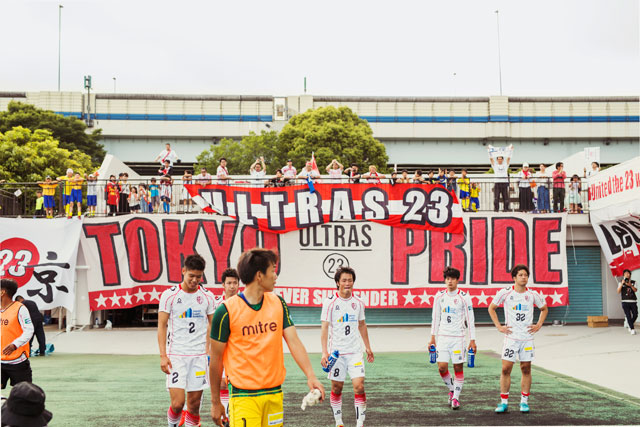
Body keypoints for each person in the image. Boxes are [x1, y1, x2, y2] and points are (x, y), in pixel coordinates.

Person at [209, 248, 324, 427]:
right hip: (243, 397)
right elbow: (215, 360)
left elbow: (294, 341)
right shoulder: (225, 311)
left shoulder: (278, 303)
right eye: (272, 270)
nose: (275, 275)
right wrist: (216, 403)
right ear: (259, 275)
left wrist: (311, 375)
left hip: (274, 395)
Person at [158, 254, 215, 427]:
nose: (194, 280)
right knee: (177, 404)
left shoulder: (208, 297)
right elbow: (162, 325)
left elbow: (214, 326)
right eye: (191, 276)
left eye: (198, 277)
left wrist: (210, 351)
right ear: (183, 271)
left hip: (198, 357)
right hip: (176, 356)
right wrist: (163, 355)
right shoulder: (169, 296)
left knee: (194, 405)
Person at [488, 265, 548, 413]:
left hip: (527, 338)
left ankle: (524, 402)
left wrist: (539, 324)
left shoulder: (533, 295)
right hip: (511, 338)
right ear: (514, 277)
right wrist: (499, 326)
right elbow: (491, 308)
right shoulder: (505, 293)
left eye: (526, 275)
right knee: (505, 368)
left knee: (525, 368)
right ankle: (503, 402)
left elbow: (544, 309)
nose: (524, 277)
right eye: (520, 275)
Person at [321, 266, 374, 427]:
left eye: (350, 280)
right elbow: (324, 328)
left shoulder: (358, 303)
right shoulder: (330, 302)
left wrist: (368, 347)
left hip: (355, 353)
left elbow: (362, 325)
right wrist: (325, 353)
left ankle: (360, 423)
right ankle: (339, 422)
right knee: (337, 388)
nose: (347, 283)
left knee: (359, 386)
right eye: (344, 280)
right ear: (337, 283)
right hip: (337, 354)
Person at [428, 267, 476, 410]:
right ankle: (451, 389)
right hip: (443, 337)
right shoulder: (439, 296)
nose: (450, 281)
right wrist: (432, 337)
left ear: (457, 280)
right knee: (442, 367)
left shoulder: (464, 297)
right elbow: (435, 317)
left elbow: (470, 319)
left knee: (457, 367)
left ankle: (456, 398)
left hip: (458, 338)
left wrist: (472, 340)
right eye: (447, 278)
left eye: (452, 279)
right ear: (445, 280)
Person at [1, 279, 34, 390]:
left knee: (23, 394)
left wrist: (14, 344)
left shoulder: (20, 309)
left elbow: (29, 330)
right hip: (0, 360)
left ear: (2, 292)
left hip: (17, 360)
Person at [618, 269, 637, 335]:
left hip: (633, 301)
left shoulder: (633, 282)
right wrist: (622, 284)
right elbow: (618, 291)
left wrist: (630, 285)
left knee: (635, 314)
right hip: (625, 301)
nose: (627, 275)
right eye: (625, 273)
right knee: (628, 315)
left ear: (630, 275)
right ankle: (632, 329)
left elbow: (635, 290)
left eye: (628, 273)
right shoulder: (621, 282)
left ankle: (629, 324)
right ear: (623, 275)